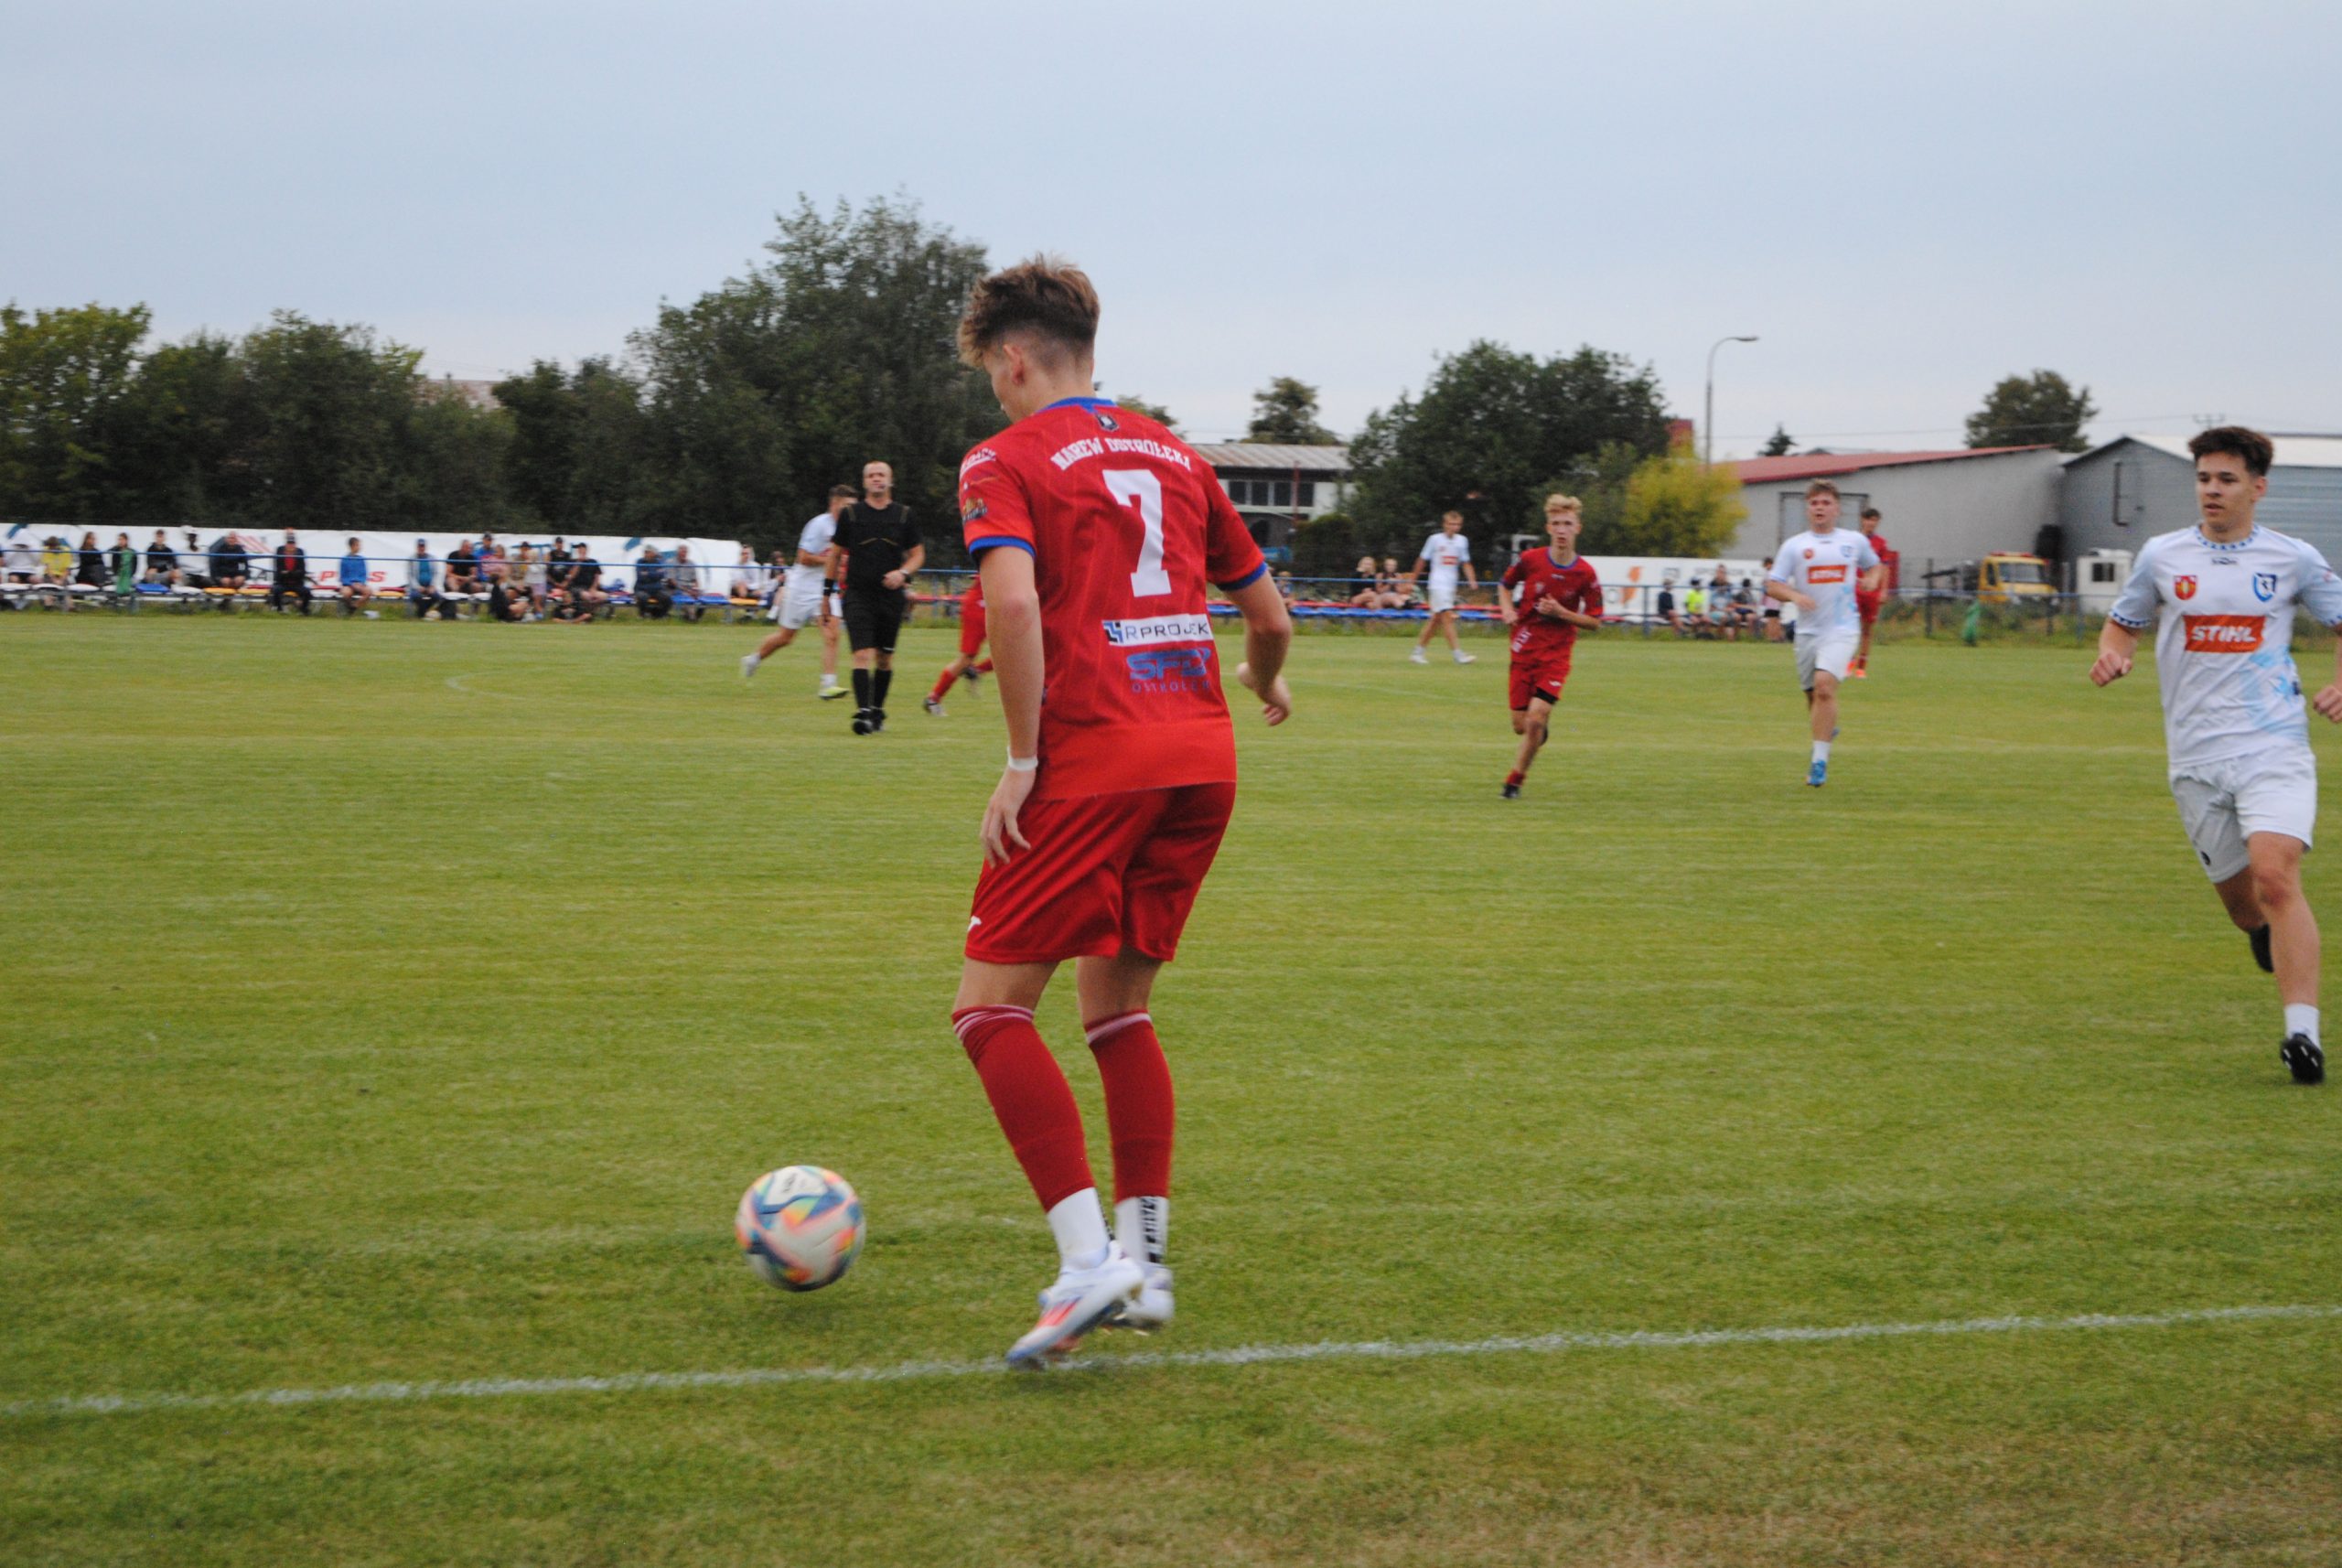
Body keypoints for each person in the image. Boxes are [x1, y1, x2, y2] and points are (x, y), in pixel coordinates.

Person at [948, 255, 1293, 1367]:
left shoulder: (1002, 459)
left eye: (991, 374)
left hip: (1095, 759)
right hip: (1199, 761)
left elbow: (1010, 605)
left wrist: (1020, 759)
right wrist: (1265, 682)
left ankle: (1088, 1263)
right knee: (1118, 1011)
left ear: (1013, 360)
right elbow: (1270, 618)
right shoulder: (1177, 454)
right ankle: (1145, 1264)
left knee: (989, 1011)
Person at [2091, 425, 2342, 1085]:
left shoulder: (2291, 558)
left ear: (2258, 488)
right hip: (2196, 757)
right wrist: (2114, 654)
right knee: (2244, 905)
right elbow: (2124, 622)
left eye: (2227, 479)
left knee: (2276, 876)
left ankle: (2303, 1036)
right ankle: (2261, 932)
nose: (2212, 490)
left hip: (2273, 745)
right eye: (2204, 478)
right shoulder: (2162, 555)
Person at [1765, 479, 1883, 787]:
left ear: (1837, 509)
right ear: (1808, 509)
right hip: (1807, 632)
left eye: (1826, 503)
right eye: (1814, 503)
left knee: (1824, 687)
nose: (1820, 508)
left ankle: (1819, 764)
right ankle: (1826, 729)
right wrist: (1794, 596)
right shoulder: (1794, 546)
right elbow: (1773, 585)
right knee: (1812, 696)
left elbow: (1875, 566)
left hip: (1842, 629)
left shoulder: (1853, 541)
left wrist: (1872, 580)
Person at [1498, 495, 1603, 799]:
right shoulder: (1531, 559)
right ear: (1548, 528)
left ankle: (1514, 782)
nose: (1561, 530)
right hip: (1523, 649)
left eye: (1567, 524)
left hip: (1556, 655)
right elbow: (1505, 585)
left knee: (1535, 719)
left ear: (1577, 528)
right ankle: (1536, 732)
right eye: (1556, 523)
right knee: (1521, 726)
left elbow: (1595, 621)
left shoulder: (1586, 574)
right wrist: (1507, 609)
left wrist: (1561, 613)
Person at [833, 461, 924, 733]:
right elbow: (834, 555)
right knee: (861, 653)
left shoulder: (904, 515)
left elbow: (918, 555)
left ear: (890, 480)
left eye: (881, 475)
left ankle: (877, 712)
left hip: (890, 597)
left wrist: (903, 573)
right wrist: (826, 592)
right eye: (871, 475)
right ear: (864, 482)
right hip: (858, 594)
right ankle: (863, 713)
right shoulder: (850, 514)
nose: (876, 479)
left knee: (884, 658)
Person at [741, 485, 854, 698]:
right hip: (801, 587)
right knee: (786, 637)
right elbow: (803, 558)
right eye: (846, 506)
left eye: (853, 507)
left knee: (832, 634)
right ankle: (753, 659)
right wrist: (831, 560)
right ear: (834, 504)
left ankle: (828, 685)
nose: (850, 511)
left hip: (825, 588)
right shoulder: (819, 525)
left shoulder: (849, 527)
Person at [1407, 511, 1479, 665]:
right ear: (1445, 524)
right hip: (1437, 584)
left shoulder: (1462, 541)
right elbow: (1422, 560)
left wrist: (1472, 579)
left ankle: (1417, 653)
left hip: (1450, 585)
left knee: (1435, 620)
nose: (1455, 527)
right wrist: (1412, 580)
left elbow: (1466, 563)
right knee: (1447, 617)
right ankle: (1458, 655)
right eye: (1452, 524)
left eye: (1458, 524)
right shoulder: (1434, 540)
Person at [924, 576, 994, 716]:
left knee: (1013, 653)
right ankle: (933, 699)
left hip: (993, 607)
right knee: (966, 658)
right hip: (979, 606)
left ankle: (975, 670)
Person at [1852, 505, 1899, 677]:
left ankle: (1861, 667)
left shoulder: (1881, 543)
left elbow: (1885, 568)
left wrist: (1884, 590)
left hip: (1872, 592)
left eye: (1874, 520)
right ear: (1862, 520)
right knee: (1851, 627)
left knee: (1867, 628)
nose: (1871, 523)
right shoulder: (1853, 540)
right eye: (1868, 519)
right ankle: (1849, 663)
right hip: (1854, 590)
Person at [269, 532, 312, 614]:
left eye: (292, 543)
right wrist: (293, 573)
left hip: (297, 583)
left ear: (295, 544)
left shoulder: (300, 553)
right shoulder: (280, 552)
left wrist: (288, 573)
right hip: (283, 583)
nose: (291, 545)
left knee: (307, 592)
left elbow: (302, 571)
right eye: (289, 543)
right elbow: (279, 571)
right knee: (276, 590)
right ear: (286, 544)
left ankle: (303, 610)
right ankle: (279, 610)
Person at [407, 539, 450, 619]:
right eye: (420, 546)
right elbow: (410, 575)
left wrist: (432, 585)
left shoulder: (432, 558)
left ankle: (422, 613)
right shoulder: (411, 559)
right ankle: (422, 614)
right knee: (416, 596)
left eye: (423, 546)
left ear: (425, 547)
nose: (421, 548)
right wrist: (418, 587)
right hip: (416, 588)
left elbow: (436, 573)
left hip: (429, 587)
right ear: (417, 547)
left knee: (436, 597)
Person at [209, 533, 251, 609]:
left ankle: (225, 602)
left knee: (239, 580)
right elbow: (215, 565)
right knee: (227, 582)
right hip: (223, 575)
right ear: (226, 539)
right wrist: (219, 577)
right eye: (230, 538)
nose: (231, 540)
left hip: (235, 574)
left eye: (233, 538)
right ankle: (226, 603)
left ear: (236, 540)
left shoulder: (240, 550)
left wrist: (243, 576)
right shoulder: (220, 549)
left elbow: (245, 565)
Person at [336, 537, 372, 615]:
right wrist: (351, 584)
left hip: (360, 584)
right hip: (348, 584)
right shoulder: (344, 560)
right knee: (346, 593)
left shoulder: (361, 559)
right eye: (357, 545)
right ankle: (350, 607)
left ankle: (355, 606)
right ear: (352, 546)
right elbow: (343, 576)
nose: (359, 547)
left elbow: (364, 574)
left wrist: (361, 583)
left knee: (369, 591)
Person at [634, 544, 672, 619]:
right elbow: (640, 576)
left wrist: (647, 573)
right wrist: (655, 574)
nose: (646, 554)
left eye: (648, 552)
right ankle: (643, 614)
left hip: (656, 589)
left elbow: (662, 575)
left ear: (654, 554)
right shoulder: (639, 561)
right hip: (642, 588)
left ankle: (661, 615)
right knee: (642, 597)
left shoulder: (658, 562)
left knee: (667, 597)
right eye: (645, 552)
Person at [670, 544, 705, 621]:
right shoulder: (671, 563)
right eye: (682, 552)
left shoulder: (691, 563)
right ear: (677, 553)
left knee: (702, 597)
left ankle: (693, 616)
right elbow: (672, 581)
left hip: (690, 588)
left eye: (685, 552)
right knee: (686, 597)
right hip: (677, 589)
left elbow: (695, 579)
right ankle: (692, 617)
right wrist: (688, 591)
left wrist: (696, 589)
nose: (684, 554)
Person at [1758, 557, 1786, 640]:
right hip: (1775, 599)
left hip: (1772, 600)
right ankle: (1776, 636)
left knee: (1772, 618)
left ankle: (1772, 636)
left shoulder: (1771, 573)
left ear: (1769, 564)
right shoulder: (1777, 573)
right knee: (1775, 618)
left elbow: (1768, 584)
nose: (1766, 567)